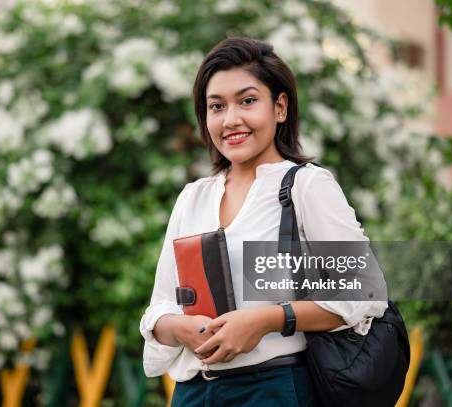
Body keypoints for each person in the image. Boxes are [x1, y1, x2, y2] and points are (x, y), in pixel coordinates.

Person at [139, 37, 388, 406]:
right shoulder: (193, 197)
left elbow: (365, 292)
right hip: (193, 393)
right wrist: (181, 328)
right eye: (216, 106)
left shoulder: (306, 186)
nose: (231, 119)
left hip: (273, 388)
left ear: (280, 107)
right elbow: (159, 308)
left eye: (248, 101)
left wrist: (268, 320)